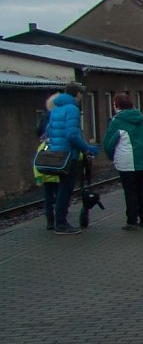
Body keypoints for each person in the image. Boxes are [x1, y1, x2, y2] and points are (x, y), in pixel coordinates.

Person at [44, 82, 100, 235]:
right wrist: (87, 148)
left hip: (57, 155)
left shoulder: (56, 109)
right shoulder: (72, 109)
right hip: (69, 155)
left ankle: (58, 221)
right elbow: (72, 134)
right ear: (77, 94)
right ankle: (61, 224)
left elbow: (48, 131)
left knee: (61, 188)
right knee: (65, 189)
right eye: (81, 95)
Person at [103, 93, 143, 230]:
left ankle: (132, 220)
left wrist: (111, 156)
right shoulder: (141, 120)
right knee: (142, 189)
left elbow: (108, 143)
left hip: (127, 161)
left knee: (130, 191)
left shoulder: (117, 121)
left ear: (116, 105)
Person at [35, 92, 61, 230]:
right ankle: (59, 219)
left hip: (45, 168)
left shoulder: (44, 118)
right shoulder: (60, 118)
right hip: (59, 164)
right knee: (60, 194)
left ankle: (50, 221)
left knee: (48, 196)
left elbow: (36, 161)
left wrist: (38, 177)